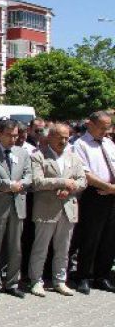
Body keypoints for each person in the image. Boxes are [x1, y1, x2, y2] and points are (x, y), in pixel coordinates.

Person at [28, 123, 87, 297]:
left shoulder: (73, 157)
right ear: (50, 137)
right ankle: (36, 280)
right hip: (46, 209)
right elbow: (37, 182)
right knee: (41, 248)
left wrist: (71, 187)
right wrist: (62, 182)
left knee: (64, 248)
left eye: (66, 137)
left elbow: (83, 180)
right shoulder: (39, 156)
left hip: (68, 208)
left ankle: (60, 280)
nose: (63, 141)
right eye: (60, 137)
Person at [0, 119, 32, 299]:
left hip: (18, 205)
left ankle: (12, 282)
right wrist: (7, 185)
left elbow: (28, 175)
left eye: (16, 135)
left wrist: (21, 184)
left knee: (15, 247)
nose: (13, 139)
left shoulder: (22, 153)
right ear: (0, 134)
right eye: (9, 135)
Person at [71, 111, 115, 294]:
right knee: (90, 237)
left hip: (112, 194)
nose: (106, 131)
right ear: (91, 124)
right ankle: (84, 276)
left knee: (109, 238)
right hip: (94, 194)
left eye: (108, 127)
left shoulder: (109, 143)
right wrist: (108, 187)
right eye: (103, 127)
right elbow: (85, 173)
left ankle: (102, 275)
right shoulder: (81, 144)